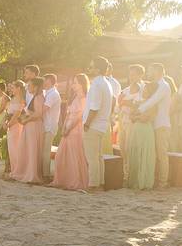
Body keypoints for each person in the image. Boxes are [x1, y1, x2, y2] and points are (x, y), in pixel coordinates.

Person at [50, 73, 89, 191]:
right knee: (62, 154)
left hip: (76, 129)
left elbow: (80, 116)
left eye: (76, 82)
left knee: (74, 155)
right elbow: (68, 114)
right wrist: (64, 127)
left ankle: (75, 181)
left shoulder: (84, 98)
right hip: (67, 126)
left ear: (82, 84)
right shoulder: (74, 97)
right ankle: (62, 180)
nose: (73, 85)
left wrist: (69, 128)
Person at [137, 63, 172, 187]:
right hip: (154, 124)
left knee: (162, 154)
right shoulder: (156, 86)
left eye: (150, 70)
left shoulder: (164, 86)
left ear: (157, 71)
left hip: (162, 125)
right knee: (155, 154)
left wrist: (139, 110)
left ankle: (163, 181)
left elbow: (153, 101)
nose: (148, 73)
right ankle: (156, 179)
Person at [83, 57, 114, 188]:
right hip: (102, 125)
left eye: (91, 67)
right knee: (99, 156)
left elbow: (94, 107)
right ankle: (100, 183)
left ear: (97, 69)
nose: (88, 69)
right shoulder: (106, 83)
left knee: (92, 157)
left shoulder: (96, 84)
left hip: (94, 125)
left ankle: (93, 185)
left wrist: (87, 123)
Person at [9, 77, 44, 184]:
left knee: (32, 149)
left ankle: (32, 175)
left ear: (36, 86)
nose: (27, 87)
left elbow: (38, 114)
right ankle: (26, 172)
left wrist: (26, 119)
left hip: (33, 126)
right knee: (28, 149)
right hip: (29, 125)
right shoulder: (34, 97)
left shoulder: (38, 97)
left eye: (29, 86)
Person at [128, 78, 157, 191]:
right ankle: (134, 181)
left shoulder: (153, 105)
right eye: (143, 90)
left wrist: (137, 117)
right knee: (135, 153)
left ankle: (144, 181)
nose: (144, 92)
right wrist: (137, 117)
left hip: (145, 131)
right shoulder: (139, 103)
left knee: (143, 153)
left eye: (146, 90)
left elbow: (145, 119)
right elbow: (131, 117)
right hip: (136, 130)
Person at [118, 64, 145, 180]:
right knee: (122, 147)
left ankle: (131, 172)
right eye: (130, 74)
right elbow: (120, 104)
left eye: (134, 74)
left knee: (131, 147)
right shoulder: (125, 90)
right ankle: (125, 171)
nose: (131, 77)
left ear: (140, 75)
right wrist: (123, 103)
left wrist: (126, 102)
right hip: (123, 119)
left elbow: (140, 105)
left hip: (134, 121)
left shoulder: (144, 89)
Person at [40, 73, 61, 179]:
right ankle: (42, 172)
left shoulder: (53, 94)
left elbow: (43, 109)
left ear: (49, 81)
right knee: (43, 149)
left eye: (44, 80)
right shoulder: (46, 92)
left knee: (46, 150)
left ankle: (46, 174)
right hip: (45, 125)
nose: (42, 82)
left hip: (50, 126)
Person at [4, 80, 26, 175]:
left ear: (19, 88)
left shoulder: (21, 99)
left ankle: (17, 170)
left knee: (15, 147)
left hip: (16, 125)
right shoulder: (13, 98)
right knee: (11, 148)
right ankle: (13, 169)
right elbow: (8, 113)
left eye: (13, 88)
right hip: (10, 124)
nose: (11, 89)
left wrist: (9, 124)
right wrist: (5, 122)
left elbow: (17, 114)